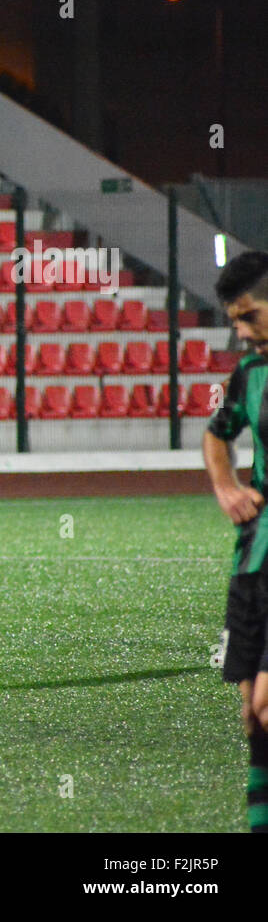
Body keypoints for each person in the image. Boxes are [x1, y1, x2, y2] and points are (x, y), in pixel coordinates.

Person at [204, 250, 268, 833]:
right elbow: (217, 432)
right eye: (236, 322)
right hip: (253, 560)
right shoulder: (250, 374)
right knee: (252, 717)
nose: (243, 332)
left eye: (250, 317)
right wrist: (226, 486)